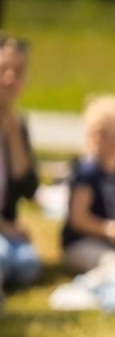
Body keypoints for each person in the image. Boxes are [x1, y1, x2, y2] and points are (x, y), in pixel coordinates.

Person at [56, 93, 115, 280]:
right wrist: (110, 229)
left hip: (108, 241)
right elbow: (78, 218)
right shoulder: (88, 171)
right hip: (80, 242)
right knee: (113, 265)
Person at [0, 33, 42, 291]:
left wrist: (14, 138)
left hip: (7, 227)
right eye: (4, 69)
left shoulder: (17, 124)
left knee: (28, 265)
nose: (10, 79)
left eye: (18, 71)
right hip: (4, 228)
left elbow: (29, 189)